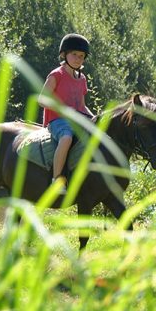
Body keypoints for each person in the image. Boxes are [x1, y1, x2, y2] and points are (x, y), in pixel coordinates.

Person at [40, 33, 95, 194]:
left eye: (81, 56)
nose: (78, 59)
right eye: (74, 55)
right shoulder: (56, 75)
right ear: (64, 54)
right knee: (67, 138)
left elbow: (82, 107)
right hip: (57, 121)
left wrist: (94, 119)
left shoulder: (82, 79)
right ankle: (56, 180)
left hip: (76, 121)